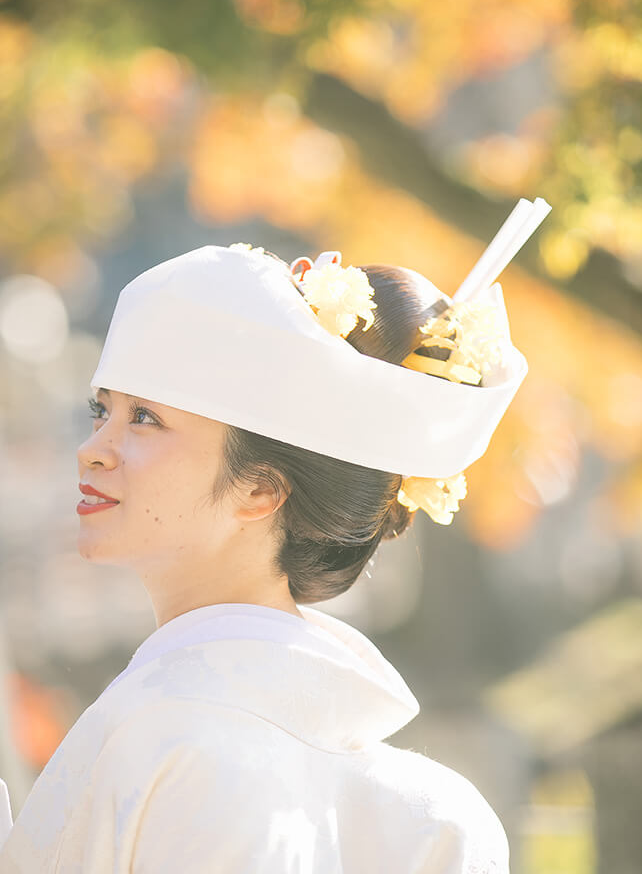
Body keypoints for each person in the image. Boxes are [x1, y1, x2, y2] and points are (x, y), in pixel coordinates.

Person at [0, 240, 530, 873]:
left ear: (260, 489)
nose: (93, 449)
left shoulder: (167, 739)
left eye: (144, 417)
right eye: (101, 410)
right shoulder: (446, 820)